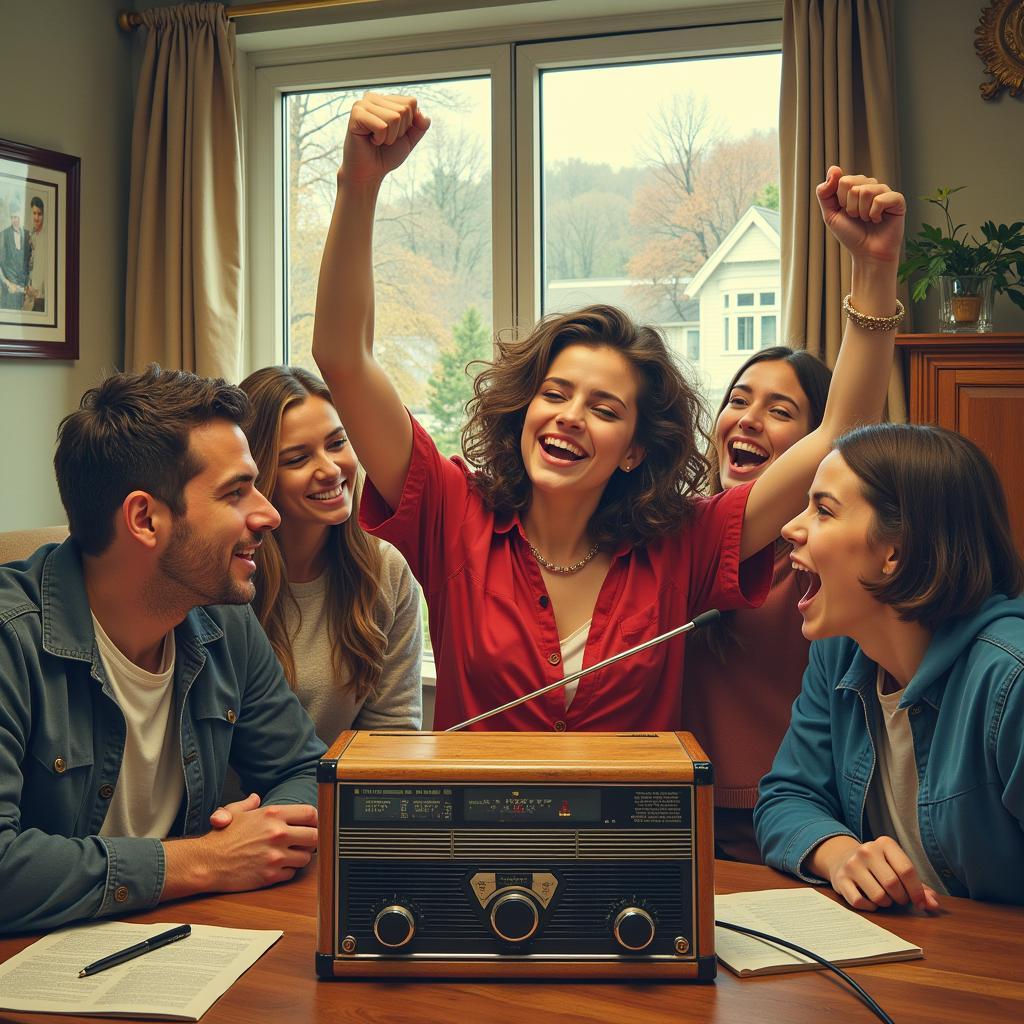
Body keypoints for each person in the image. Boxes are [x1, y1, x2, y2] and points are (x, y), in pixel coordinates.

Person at [312, 92, 904, 732]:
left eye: (603, 408)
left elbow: (840, 433)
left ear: (634, 448)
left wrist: (874, 269)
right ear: (525, 411)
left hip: (641, 837)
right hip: (481, 835)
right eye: (556, 394)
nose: (569, 417)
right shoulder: (453, 513)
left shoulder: (684, 545)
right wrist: (359, 184)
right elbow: (343, 357)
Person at [0, 366, 326, 935]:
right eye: (235, 492)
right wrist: (205, 861)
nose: (269, 513)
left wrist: (266, 832)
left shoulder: (224, 621)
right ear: (145, 519)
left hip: (177, 942)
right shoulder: (12, 642)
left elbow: (304, 768)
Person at [754, 424, 1024, 908]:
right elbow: (786, 797)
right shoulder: (841, 650)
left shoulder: (1011, 679)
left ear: (894, 552)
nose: (790, 528)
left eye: (823, 509)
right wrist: (839, 854)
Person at [683, 348, 832, 862]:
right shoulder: (681, 536)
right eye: (738, 400)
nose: (747, 418)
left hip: (788, 824)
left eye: (780, 410)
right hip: (673, 812)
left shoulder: (826, 566)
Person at [238, 365, 422, 744]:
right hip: (229, 804)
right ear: (257, 474)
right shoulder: (225, 573)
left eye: (337, 443)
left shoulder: (386, 570)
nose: (330, 468)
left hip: (336, 799)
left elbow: (390, 739)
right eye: (297, 458)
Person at [0, 197, 29, 310]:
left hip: (23, 292)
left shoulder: (27, 235)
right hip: (9, 292)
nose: (15, 220)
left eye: (16, 217)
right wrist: (7, 283)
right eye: (12, 217)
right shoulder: (3, 235)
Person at [26, 196, 46, 312]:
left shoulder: (45, 237)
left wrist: (38, 292)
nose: (36, 217)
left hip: (40, 298)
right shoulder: (31, 235)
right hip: (30, 295)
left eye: (40, 214)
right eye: (34, 213)